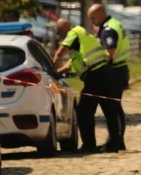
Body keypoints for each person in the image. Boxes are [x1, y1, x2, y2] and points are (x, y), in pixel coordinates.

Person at [52, 18, 124, 153]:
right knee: (109, 109)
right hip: (105, 72)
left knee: (84, 112)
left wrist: (52, 69)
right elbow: (70, 65)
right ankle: (116, 142)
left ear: (63, 30)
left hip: (95, 75)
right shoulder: (81, 36)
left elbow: (59, 54)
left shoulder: (72, 33)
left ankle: (89, 145)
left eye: (59, 32)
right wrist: (58, 73)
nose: (60, 36)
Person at [87, 3, 129, 148]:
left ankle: (115, 140)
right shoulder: (114, 23)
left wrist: (98, 64)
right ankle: (117, 140)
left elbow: (110, 51)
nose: (92, 21)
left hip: (115, 71)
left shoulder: (108, 29)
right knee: (115, 107)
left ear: (99, 15)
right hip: (120, 69)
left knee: (113, 107)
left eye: (92, 18)